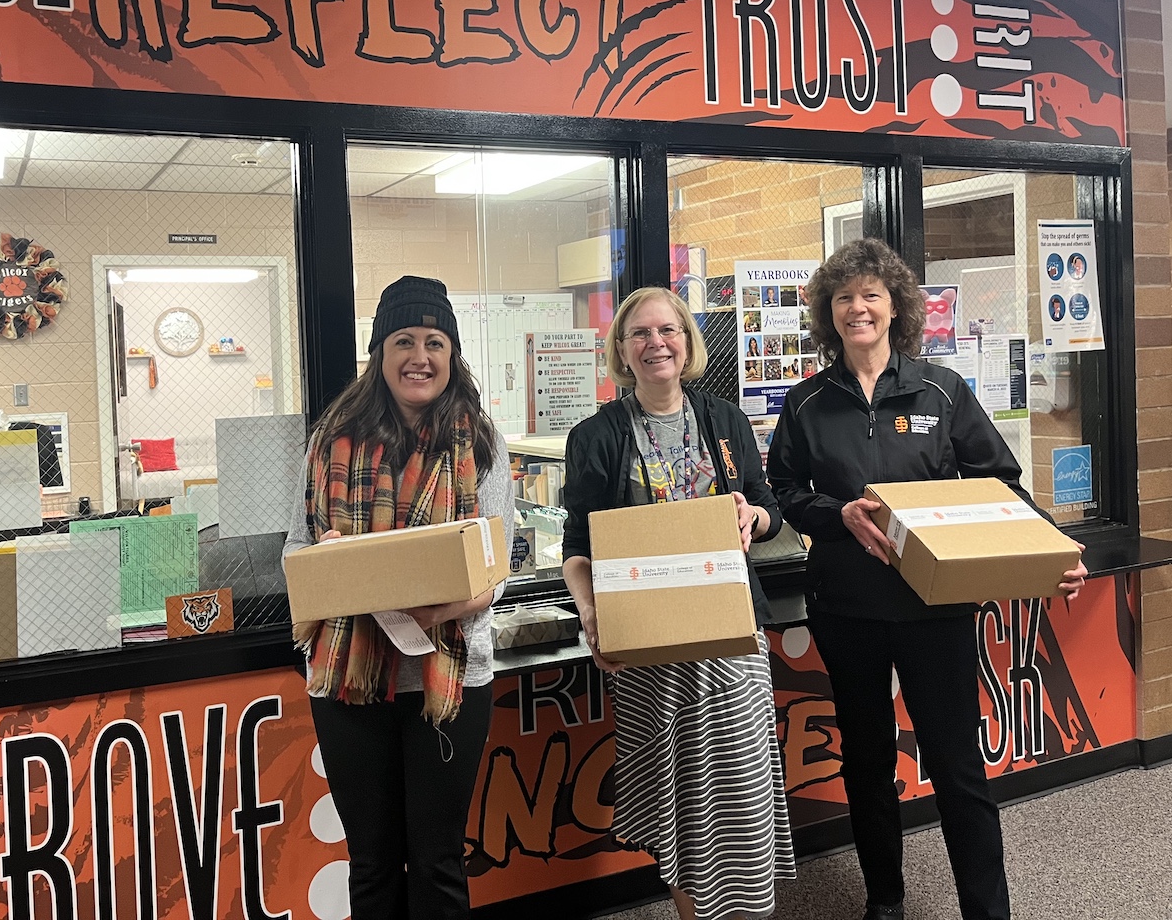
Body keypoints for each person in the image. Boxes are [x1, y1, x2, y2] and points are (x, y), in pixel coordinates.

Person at [766, 239, 1087, 920]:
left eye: (871, 294)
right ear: (830, 311)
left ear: (895, 307)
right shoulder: (806, 402)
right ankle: (885, 899)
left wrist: (1052, 549)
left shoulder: (942, 390)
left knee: (957, 765)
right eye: (845, 296)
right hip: (847, 607)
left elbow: (1000, 482)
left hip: (935, 605)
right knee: (868, 762)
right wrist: (837, 513)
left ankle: (986, 908)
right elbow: (785, 490)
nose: (859, 307)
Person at [560, 286, 795, 920]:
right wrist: (590, 613)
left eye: (668, 330)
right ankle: (692, 911)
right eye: (639, 334)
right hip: (647, 647)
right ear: (622, 350)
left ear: (687, 342)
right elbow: (578, 548)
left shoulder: (725, 421)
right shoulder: (596, 436)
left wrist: (754, 518)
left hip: (730, 640)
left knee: (738, 794)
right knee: (678, 803)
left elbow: (769, 509)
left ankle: (749, 911)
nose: (655, 343)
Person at [282, 275, 513, 920]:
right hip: (349, 680)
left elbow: (498, 562)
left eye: (434, 342)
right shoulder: (332, 441)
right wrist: (332, 562)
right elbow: (294, 556)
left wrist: (457, 605)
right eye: (403, 341)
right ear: (379, 355)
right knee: (374, 862)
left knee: (439, 861)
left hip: (451, 676)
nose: (420, 356)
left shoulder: (480, 445)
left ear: (452, 354)